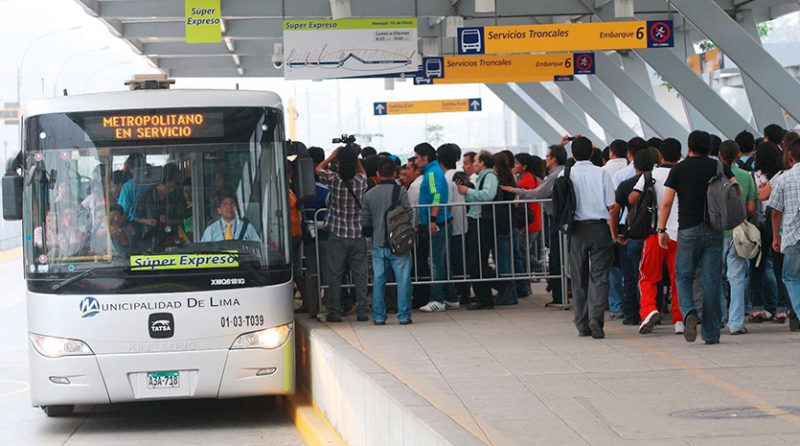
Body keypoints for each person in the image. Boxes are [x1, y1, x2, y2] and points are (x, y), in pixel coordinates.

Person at [658, 131, 733, 345]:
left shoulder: (679, 169)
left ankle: (689, 311)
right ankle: (710, 333)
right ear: (709, 147)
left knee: (683, 275)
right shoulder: (718, 167)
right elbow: (733, 189)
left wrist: (661, 230)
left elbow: (667, 202)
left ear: (688, 147)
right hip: (714, 228)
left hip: (688, 229)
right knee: (712, 280)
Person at [629, 138, 685, 335]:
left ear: (660, 155)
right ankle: (680, 320)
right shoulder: (683, 172)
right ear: (680, 155)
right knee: (679, 279)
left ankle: (648, 310)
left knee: (647, 277)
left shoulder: (650, 175)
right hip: (680, 235)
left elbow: (633, 197)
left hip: (655, 234)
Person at [562, 137, 616, 339]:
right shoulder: (601, 173)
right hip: (600, 228)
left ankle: (582, 323)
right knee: (600, 277)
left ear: (573, 154)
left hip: (577, 230)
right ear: (591, 153)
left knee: (579, 277)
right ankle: (596, 320)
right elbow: (611, 204)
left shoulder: (566, 173)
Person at [502, 143, 568, 306]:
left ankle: (558, 293)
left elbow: (538, 193)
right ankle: (557, 289)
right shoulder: (556, 173)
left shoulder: (554, 175)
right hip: (550, 220)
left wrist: (515, 191)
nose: (546, 158)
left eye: (548, 156)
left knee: (553, 256)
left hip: (549, 220)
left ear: (553, 158)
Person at [315, 144, 369, 322]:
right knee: (360, 274)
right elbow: (363, 173)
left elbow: (318, 169)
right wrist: (356, 155)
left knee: (335, 274)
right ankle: (362, 311)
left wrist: (332, 155)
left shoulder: (333, 180)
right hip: (357, 234)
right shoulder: (361, 181)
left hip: (337, 234)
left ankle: (334, 312)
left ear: (338, 162)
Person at [360, 157, 414, 325]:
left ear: (378, 173)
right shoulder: (401, 191)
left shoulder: (368, 195)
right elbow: (409, 213)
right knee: (403, 280)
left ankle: (379, 316)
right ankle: (404, 316)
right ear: (395, 173)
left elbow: (365, 221)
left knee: (378, 280)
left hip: (378, 244)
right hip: (399, 244)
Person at [718, 140, 757, 335]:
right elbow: (751, 208)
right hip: (738, 233)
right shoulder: (745, 176)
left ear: (719, 155)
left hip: (716, 233)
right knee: (737, 278)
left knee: (715, 277)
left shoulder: (714, 177)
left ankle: (718, 318)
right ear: (737, 156)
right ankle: (736, 323)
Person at [415, 143, 454, 312]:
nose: (415, 161)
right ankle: (451, 297)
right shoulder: (434, 171)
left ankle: (437, 299)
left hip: (437, 223)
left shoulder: (432, 174)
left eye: (417, 157)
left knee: (436, 263)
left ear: (425, 157)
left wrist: (432, 219)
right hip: (441, 221)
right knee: (442, 261)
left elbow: (436, 196)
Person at [750, 142, 785, 323]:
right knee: (779, 267)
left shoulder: (752, 175)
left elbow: (756, 197)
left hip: (757, 225)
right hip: (777, 224)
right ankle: (781, 308)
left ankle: (757, 308)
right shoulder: (781, 176)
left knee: (757, 265)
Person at [460, 151, 499, 309]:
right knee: (475, 260)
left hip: (482, 221)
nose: (473, 164)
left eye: (475, 161)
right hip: (476, 219)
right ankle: (483, 295)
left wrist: (468, 191)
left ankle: (491, 292)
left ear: (482, 163)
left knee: (477, 260)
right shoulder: (481, 177)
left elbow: (488, 195)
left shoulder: (489, 176)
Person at [769, 138, 800, 332]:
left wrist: (775, 237)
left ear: (789, 156)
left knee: (791, 278)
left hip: (792, 235)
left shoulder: (783, 178)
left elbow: (776, 212)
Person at [438, 143, 471, 305]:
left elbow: (447, 204)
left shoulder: (445, 179)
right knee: (460, 262)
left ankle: (457, 294)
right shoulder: (460, 175)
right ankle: (464, 293)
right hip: (463, 225)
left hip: (450, 226)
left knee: (451, 263)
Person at [134, 163, 185, 252]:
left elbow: (181, 220)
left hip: (171, 240)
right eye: (169, 187)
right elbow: (136, 217)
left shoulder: (175, 196)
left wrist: (168, 220)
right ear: (159, 185)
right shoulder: (145, 196)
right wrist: (148, 221)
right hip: (148, 239)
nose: (171, 190)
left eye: (172, 187)